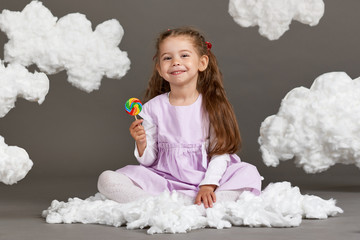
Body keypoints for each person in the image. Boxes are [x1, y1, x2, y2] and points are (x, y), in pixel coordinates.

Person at [97, 27, 262, 208]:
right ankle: (165, 205)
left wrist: (208, 185)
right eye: (167, 58)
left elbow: (220, 153)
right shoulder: (152, 108)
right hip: (164, 180)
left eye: (184, 55)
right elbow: (149, 161)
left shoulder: (212, 105)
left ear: (202, 62)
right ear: (160, 69)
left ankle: (197, 202)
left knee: (248, 173)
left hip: (207, 179)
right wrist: (142, 143)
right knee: (107, 179)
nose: (176, 62)